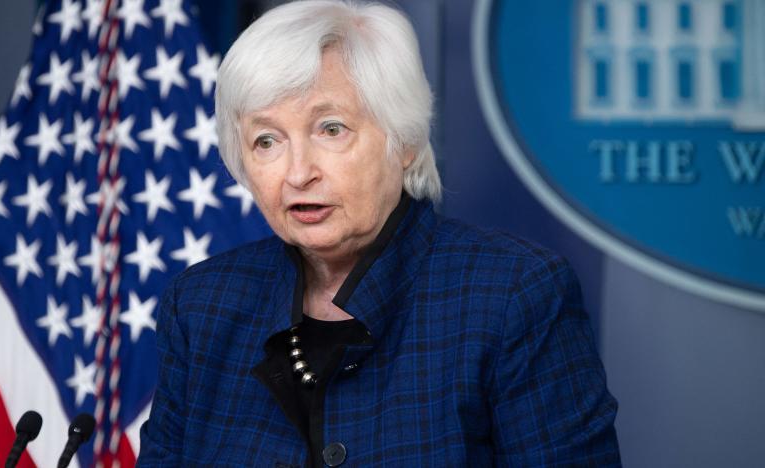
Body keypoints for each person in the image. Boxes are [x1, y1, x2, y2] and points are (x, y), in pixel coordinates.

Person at [138, 1, 621, 466]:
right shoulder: (201, 305)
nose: (298, 173)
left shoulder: (514, 296)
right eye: (267, 140)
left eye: (331, 129)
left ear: (405, 140)